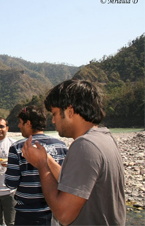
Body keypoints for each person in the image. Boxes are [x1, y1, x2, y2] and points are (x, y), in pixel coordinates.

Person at [22, 80, 126, 225]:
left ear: (70, 111)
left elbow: (63, 215)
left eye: (55, 114)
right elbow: (72, 183)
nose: (53, 120)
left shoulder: (85, 146)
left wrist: (41, 166)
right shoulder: (104, 138)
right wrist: (46, 159)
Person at [5, 105, 68, 225]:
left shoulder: (18, 147)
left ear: (28, 123)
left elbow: (11, 183)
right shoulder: (61, 145)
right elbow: (67, 179)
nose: (18, 126)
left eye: (20, 122)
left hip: (27, 214)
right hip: (55, 211)